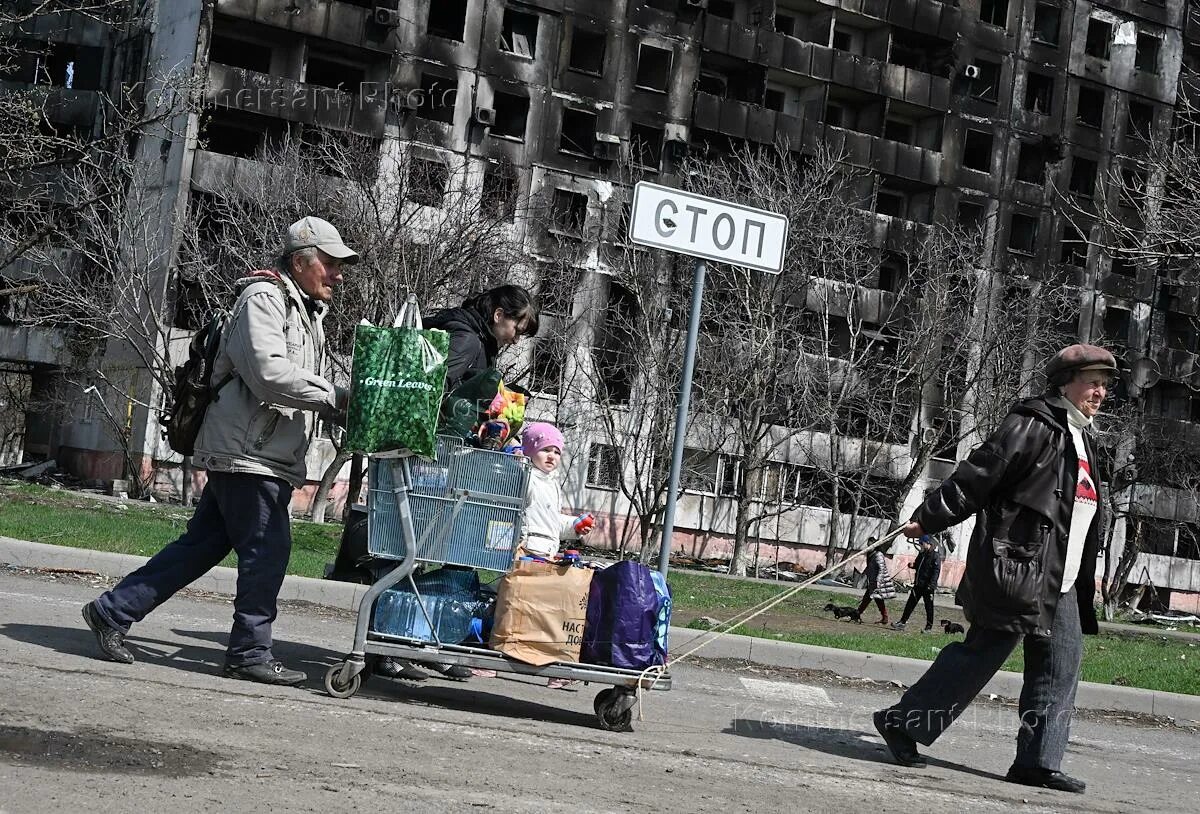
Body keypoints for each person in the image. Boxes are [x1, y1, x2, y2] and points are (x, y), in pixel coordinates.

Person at [82, 216, 357, 686]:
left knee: (203, 545)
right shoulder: (265, 300)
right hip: (248, 452)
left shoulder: (304, 310)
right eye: (330, 264)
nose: (338, 274)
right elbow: (269, 374)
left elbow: (291, 384)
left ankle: (113, 610)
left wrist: (338, 408)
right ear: (299, 262)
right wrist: (336, 397)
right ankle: (249, 651)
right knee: (267, 552)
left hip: (256, 449)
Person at [873, 343, 1117, 795]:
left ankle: (1038, 762)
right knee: (981, 655)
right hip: (1020, 571)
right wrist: (929, 516)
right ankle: (902, 723)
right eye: (1092, 382)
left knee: (1060, 668)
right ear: (1065, 382)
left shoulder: (1083, 437)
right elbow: (979, 475)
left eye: (1105, 384)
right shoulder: (1034, 424)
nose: (1100, 392)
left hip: (1062, 580)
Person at [375, 283, 539, 682]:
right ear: (499, 314)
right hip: (427, 460)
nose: (517, 337)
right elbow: (431, 391)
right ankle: (388, 644)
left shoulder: (470, 335)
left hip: (431, 458)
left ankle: (417, 642)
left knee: (418, 551)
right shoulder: (466, 338)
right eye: (518, 326)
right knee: (409, 550)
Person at [518, 421, 592, 689]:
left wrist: (574, 526)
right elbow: (521, 496)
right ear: (530, 451)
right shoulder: (527, 477)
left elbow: (551, 521)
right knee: (523, 610)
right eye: (544, 449)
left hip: (547, 551)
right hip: (528, 550)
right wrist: (520, 462)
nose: (551, 456)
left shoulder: (551, 483)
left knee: (547, 613)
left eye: (556, 452)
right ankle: (500, 655)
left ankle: (552, 666)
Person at [425, 284, 540, 392]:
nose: (516, 340)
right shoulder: (468, 341)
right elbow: (429, 392)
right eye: (517, 331)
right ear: (498, 315)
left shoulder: (484, 344)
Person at [892, 535, 942, 633]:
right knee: (910, 604)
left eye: (921, 543)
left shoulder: (935, 556)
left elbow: (936, 572)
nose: (920, 545)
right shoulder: (922, 554)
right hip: (918, 585)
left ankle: (928, 627)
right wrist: (912, 565)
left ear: (928, 543)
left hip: (928, 587)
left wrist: (931, 585)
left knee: (929, 607)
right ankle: (902, 622)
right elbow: (918, 565)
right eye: (920, 543)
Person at [855, 538, 895, 625]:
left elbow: (881, 569)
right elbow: (870, 567)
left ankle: (857, 614)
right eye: (868, 545)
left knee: (869, 598)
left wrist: (878, 580)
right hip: (873, 580)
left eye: (871, 545)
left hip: (879, 581)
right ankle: (884, 617)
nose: (869, 547)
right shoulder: (870, 554)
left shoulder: (878, 555)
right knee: (876, 598)